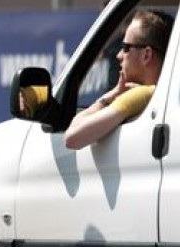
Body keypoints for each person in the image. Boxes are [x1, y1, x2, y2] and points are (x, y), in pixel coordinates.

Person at [65, 9, 174, 150]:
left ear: (146, 55)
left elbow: (72, 138)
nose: (119, 55)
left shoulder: (141, 94)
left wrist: (110, 97)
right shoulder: (165, 92)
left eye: (126, 47)